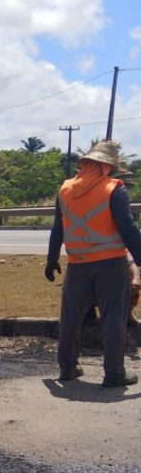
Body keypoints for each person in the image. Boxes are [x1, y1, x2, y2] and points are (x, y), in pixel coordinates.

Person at [45, 140, 141, 387]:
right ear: (107, 166)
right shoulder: (114, 188)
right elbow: (128, 228)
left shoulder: (65, 189)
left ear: (84, 163)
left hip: (77, 265)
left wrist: (51, 259)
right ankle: (114, 374)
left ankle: (67, 368)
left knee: (70, 318)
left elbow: (57, 228)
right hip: (111, 265)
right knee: (113, 318)